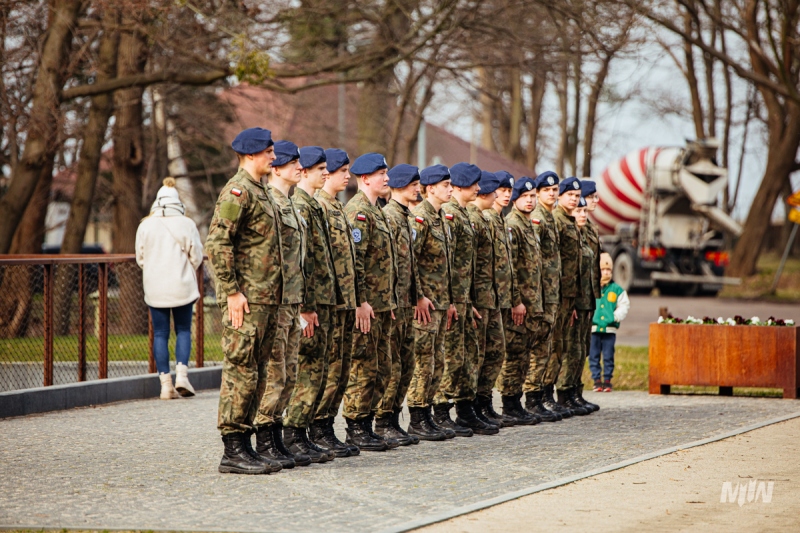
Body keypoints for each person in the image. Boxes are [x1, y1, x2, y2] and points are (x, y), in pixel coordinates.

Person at [206, 127, 285, 475]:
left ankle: (248, 444)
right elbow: (217, 244)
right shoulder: (237, 192)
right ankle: (233, 449)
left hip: (266, 300)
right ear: (251, 155)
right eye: (268, 151)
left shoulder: (262, 192)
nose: (273, 156)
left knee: (257, 372)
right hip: (246, 299)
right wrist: (232, 292)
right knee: (241, 371)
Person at [266, 141, 332, 464]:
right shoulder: (278, 203)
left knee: (291, 373)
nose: (299, 168)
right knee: (280, 373)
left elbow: (307, 262)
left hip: (296, 302)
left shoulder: (295, 205)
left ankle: (290, 436)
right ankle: (277, 437)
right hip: (281, 304)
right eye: (293, 163)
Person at [286, 146, 350, 457]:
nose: (325, 173)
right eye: (320, 168)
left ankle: (310, 430)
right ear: (306, 172)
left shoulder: (313, 206)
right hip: (311, 303)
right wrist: (305, 306)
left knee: (324, 370)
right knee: (309, 371)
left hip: (326, 301)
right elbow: (302, 262)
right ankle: (295, 433)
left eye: (327, 168)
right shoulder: (300, 205)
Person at [342, 152, 398, 452]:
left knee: (381, 368)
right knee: (364, 366)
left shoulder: (377, 211)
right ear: (365, 178)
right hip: (367, 306)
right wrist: (360, 301)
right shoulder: (358, 212)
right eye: (381, 173)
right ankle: (355, 425)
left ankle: (366, 423)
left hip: (382, 305)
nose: (386, 178)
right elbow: (356, 263)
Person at [136, 177, 204, 401]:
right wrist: (184, 269)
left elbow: (141, 258)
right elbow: (197, 257)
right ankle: (182, 376)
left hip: (155, 287)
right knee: (183, 329)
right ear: (178, 200)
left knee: (161, 333)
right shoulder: (187, 224)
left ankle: (165, 384)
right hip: (182, 285)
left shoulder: (145, 225)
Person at [311, 148, 360, 457]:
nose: (348, 176)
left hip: (343, 302)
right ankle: (317, 427)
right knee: (325, 369)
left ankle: (326, 426)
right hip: (327, 301)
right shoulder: (319, 207)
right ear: (326, 173)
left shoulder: (337, 208)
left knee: (339, 369)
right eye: (343, 171)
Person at [407, 164, 457, 441]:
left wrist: (448, 301)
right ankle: (417, 416)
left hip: (439, 302)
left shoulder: (441, 218)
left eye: (450, 184)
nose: (450, 189)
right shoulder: (421, 218)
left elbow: (445, 267)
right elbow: (411, 261)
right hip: (424, 304)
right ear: (430, 188)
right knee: (424, 361)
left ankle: (426, 414)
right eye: (445, 185)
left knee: (437, 361)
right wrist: (418, 296)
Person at [376, 163, 422, 446]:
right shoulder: (391, 217)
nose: (419, 189)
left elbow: (409, 265)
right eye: (414, 184)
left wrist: (417, 296)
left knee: (406, 363)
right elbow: (386, 266)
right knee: (392, 365)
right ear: (401, 186)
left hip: (406, 302)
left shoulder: (405, 217)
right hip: (394, 303)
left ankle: (392, 417)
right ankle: (383, 420)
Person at [495, 177, 542, 425]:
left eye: (533, 196)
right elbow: (510, 268)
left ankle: (516, 401)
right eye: (525, 197)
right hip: (518, 302)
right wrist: (516, 300)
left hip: (531, 301)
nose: (530, 200)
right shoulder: (513, 225)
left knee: (524, 352)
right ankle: (509, 402)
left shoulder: (528, 224)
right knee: (514, 353)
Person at [468, 171, 508, 428]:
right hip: (476, 299)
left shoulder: (485, 219)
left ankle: (482, 402)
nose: (498, 197)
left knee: (492, 352)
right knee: (476, 355)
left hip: (490, 297)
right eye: (495, 192)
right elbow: (466, 266)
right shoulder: (474, 219)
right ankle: (470, 406)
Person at [480, 171, 519, 426]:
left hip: (499, 298)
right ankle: (477, 404)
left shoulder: (500, 220)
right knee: (484, 353)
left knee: (496, 352)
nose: (504, 195)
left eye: (508, 191)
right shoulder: (485, 218)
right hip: (486, 298)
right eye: (501, 190)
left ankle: (483, 402)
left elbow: (507, 267)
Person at [523, 171, 562, 421]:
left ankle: (540, 395)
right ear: (538, 194)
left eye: (554, 189)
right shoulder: (537, 218)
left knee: (547, 347)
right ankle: (532, 397)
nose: (552, 194)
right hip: (540, 294)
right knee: (536, 347)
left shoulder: (548, 217)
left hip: (550, 293)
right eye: (547, 190)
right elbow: (534, 261)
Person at [551, 176, 590, 416]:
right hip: (557, 294)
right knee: (555, 347)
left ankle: (568, 393)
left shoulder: (570, 222)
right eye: (571, 196)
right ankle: (550, 395)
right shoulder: (557, 220)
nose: (575, 200)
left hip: (570, 295)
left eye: (577, 196)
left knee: (569, 346)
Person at [568, 196, 599, 413]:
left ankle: (574, 392)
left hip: (586, 298)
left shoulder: (588, 231)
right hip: (572, 300)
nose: (582, 215)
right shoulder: (569, 231)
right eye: (579, 210)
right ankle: (564, 393)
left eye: (584, 211)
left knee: (580, 348)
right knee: (569, 348)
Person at [590, 252, 630, 392]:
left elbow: (624, 305)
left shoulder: (616, 290)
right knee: (593, 355)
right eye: (603, 270)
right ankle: (596, 380)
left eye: (608, 270)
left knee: (608, 355)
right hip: (594, 329)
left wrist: (615, 317)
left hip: (609, 329)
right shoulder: (592, 288)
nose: (606, 273)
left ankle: (607, 379)